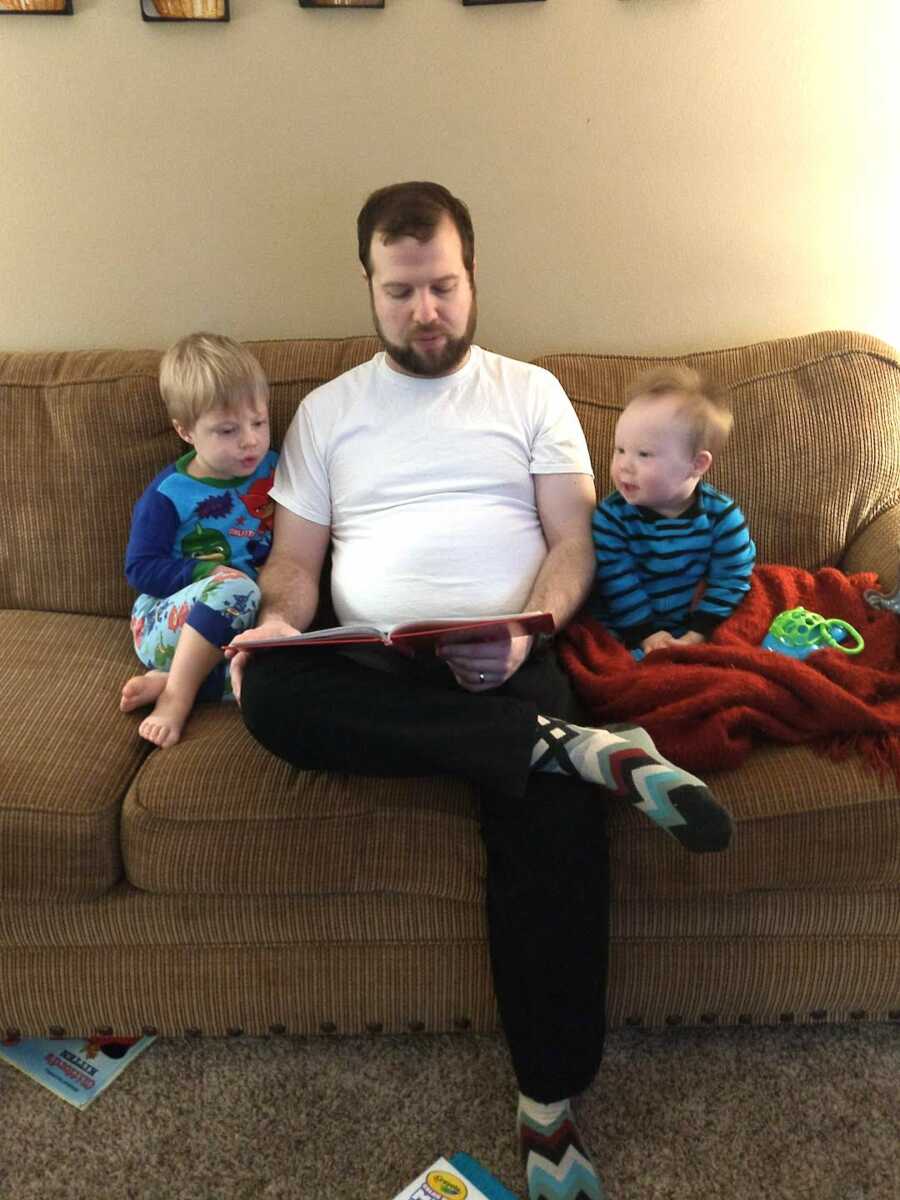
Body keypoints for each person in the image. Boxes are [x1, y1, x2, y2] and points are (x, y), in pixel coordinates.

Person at [228, 182, 732, 1200]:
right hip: (371, 656)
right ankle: (562, 744)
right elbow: (294, 561)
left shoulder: (530, 393)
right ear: (369, 285)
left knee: (554, 830)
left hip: (513, 652)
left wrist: (528, 628)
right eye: (402, 290)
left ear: (472, 275)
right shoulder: (330, 412)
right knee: (267, 691)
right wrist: (279, 620)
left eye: (443, 287)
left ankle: (549, 1109)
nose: (425, 311)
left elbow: (573, 544)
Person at [120, 332, 277, 748]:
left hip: (235, 626)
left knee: (272, 674)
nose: (249, 440)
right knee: (238, 587)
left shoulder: (276, 470)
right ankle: (175, 697)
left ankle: (174, 678)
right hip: (165, 621)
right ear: (185, 431)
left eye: (259, 422)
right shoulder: (170, 494)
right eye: (227, 430)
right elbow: (140, 568)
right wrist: (206, 570)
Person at [592, 366, 756, 656]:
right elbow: (618, 585)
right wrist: (647, 636)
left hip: (699, 629)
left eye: (643, 454)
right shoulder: (610, 519)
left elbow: (732, 578)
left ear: (697, 465)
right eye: (620, 450)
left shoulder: (723, 518)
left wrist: (698, 634)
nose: (624, 465)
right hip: (629, 632)